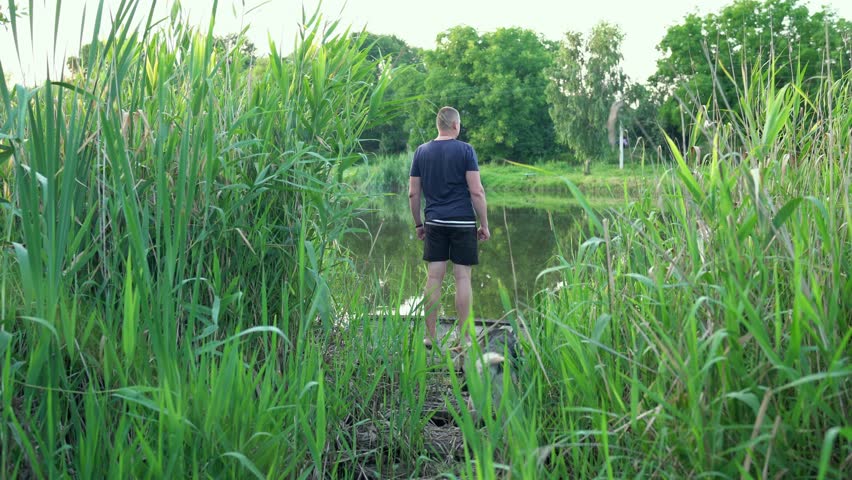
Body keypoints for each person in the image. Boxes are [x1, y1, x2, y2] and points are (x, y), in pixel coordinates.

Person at [408, 106, 490, 351]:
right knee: (462, 277)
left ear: (438, 125)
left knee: (434, 277)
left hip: (434, 222)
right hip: (463, 222)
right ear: (456, 125)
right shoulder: (466, 150)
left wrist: (418, 224)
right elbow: (476, 191)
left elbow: (413, 193)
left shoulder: (421, 152)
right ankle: (464, 339)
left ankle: (429, 337)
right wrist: (484, 223)